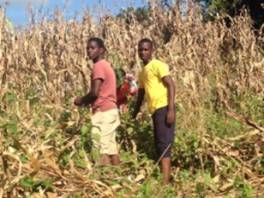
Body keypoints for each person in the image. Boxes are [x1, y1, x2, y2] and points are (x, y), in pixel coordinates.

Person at [132, 38, 175, 184]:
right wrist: (134, 112)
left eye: (146, 49)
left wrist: (171, 109)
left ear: (152, 50)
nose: (142, 52)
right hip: (155, 111)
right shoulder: (142, 72)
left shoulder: (158, 65)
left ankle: (165, 182)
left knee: (164, 144)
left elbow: (171, 85)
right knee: (159, 143)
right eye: (140, 50)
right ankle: (163, 178)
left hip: (163, 108)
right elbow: (141, 94)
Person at [74, 37, 120, 166]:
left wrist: (80, 100)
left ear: (101, 50)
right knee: (111, 149)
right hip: (111, 110)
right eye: (88, 48)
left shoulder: (98, 66)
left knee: (100, 148)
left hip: (103, 112)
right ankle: (119, 178)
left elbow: (94, 93)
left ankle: (103, 181)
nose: (89, 51)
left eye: (93, 48)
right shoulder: (106, 65)